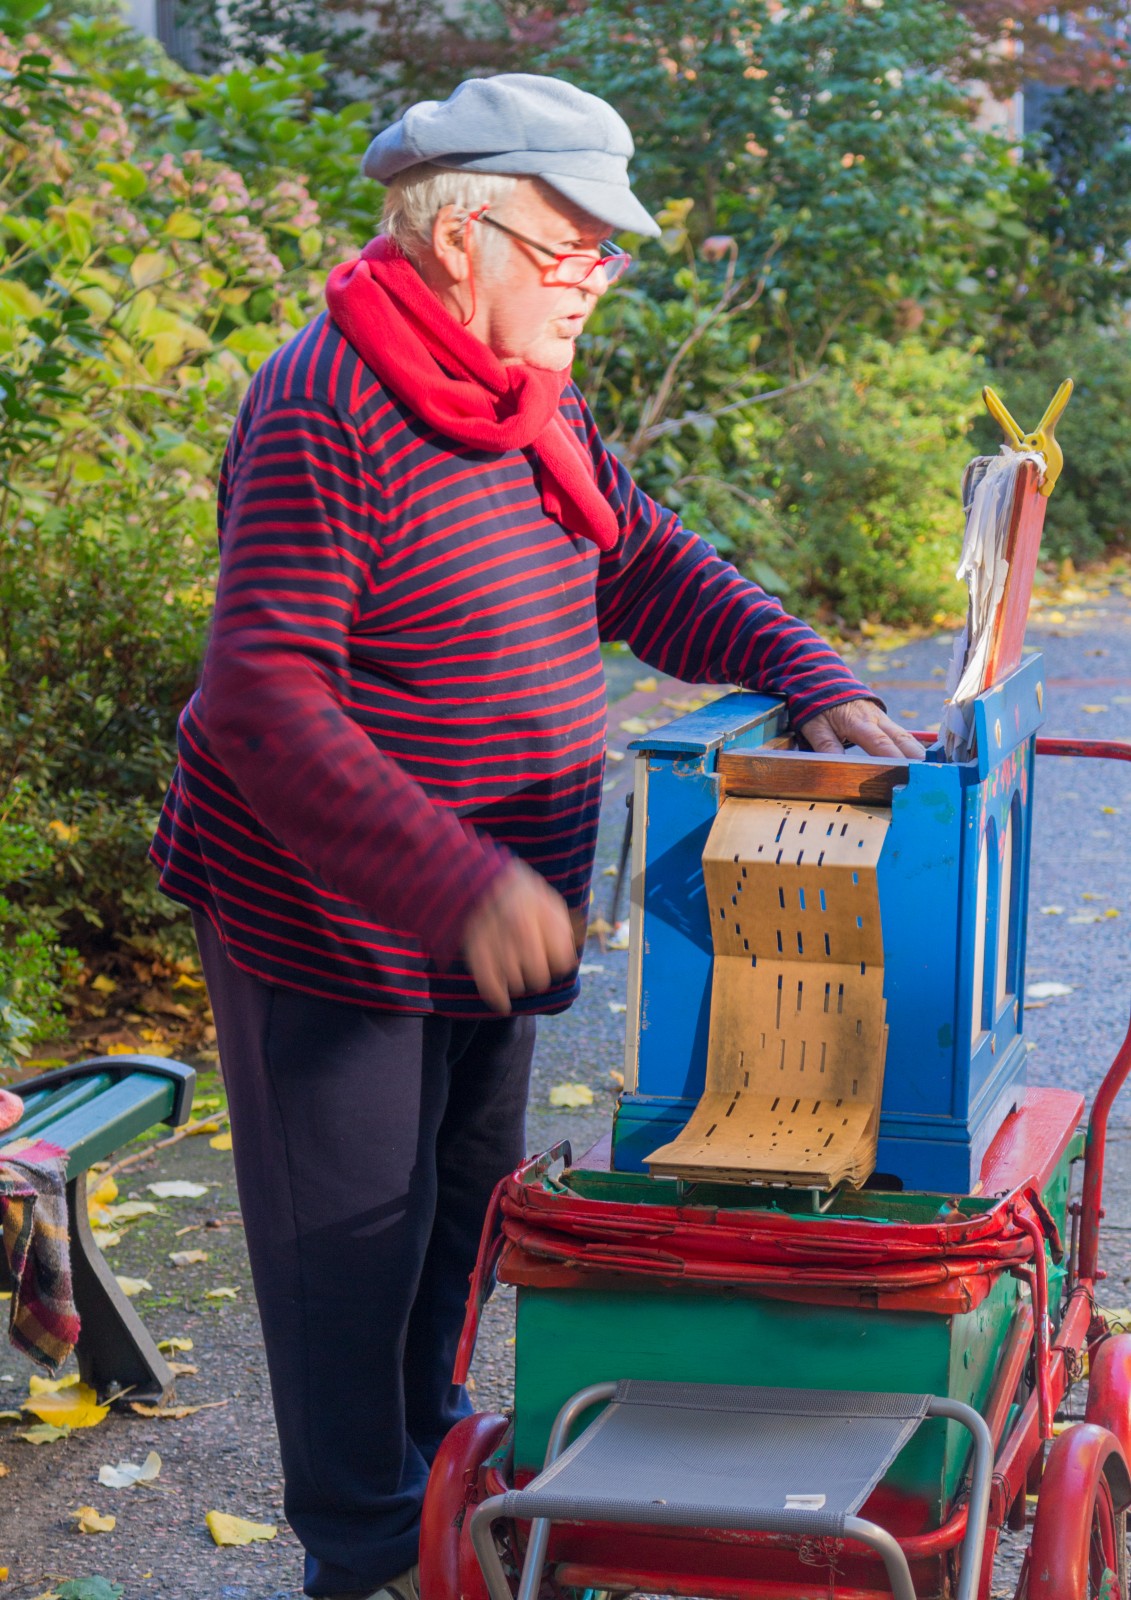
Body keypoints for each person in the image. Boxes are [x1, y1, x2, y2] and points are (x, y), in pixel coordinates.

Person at [151, 72, 923, 1600]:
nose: (598, 279)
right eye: (572, 244)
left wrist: (805, 670)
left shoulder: (523, 396)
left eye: (608, 251)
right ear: (461, 233)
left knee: (463, 1209)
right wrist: (452, 882)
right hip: (336, 914)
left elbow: (643, 564)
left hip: (492, 904)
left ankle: (440, 1473)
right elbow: (262, 700)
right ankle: (370, 1554)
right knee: (348, 1246)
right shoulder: (328, 405)